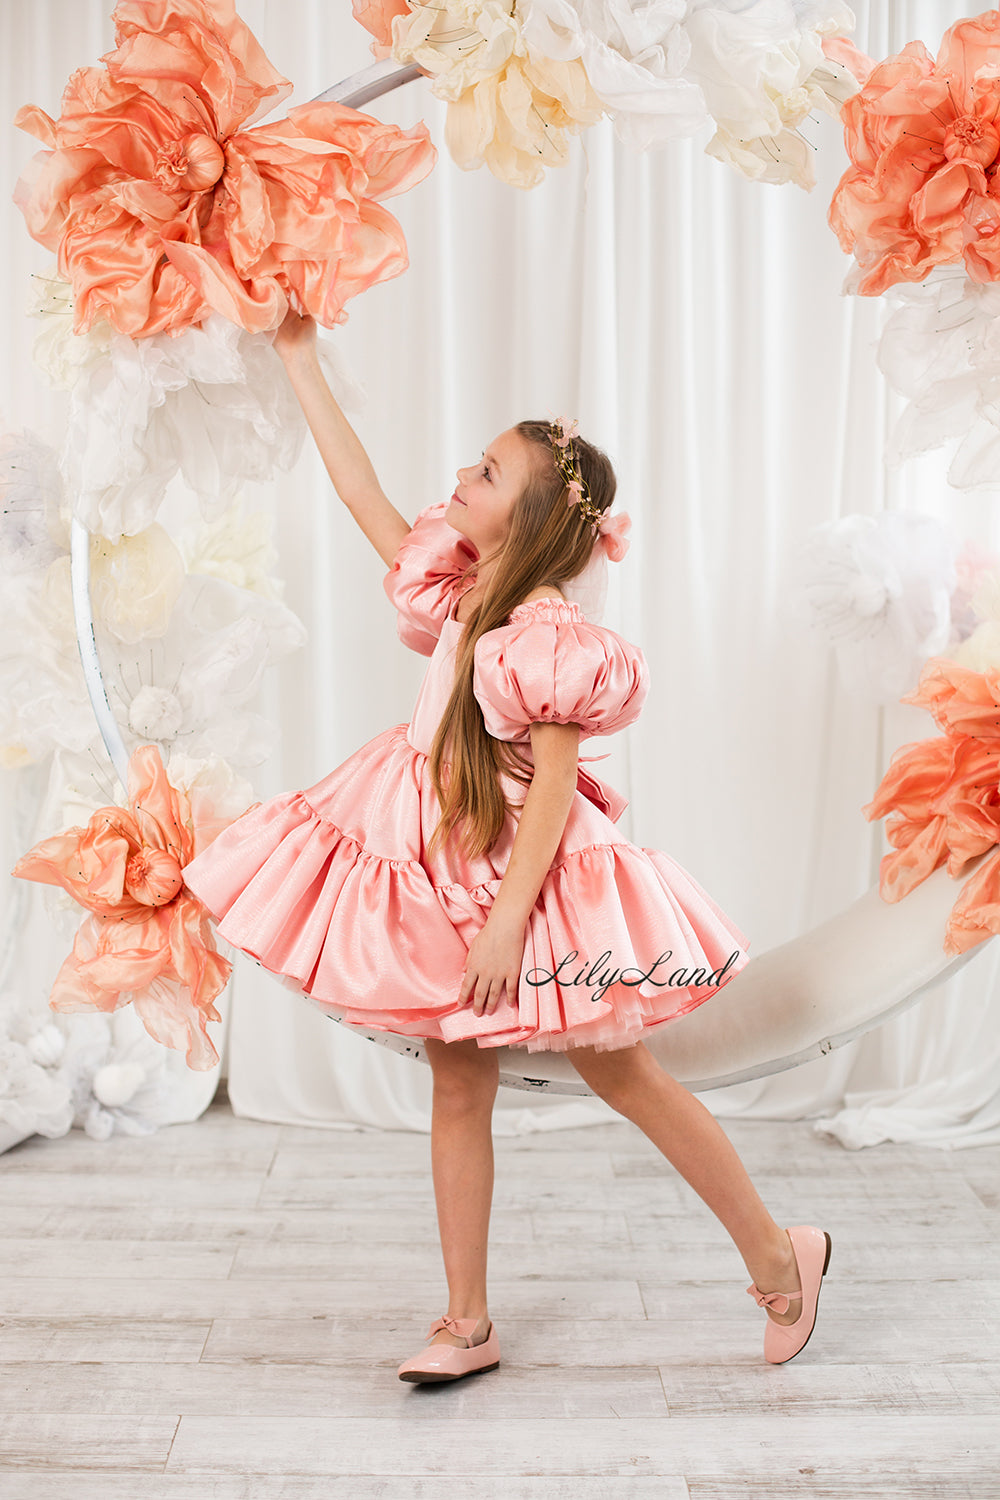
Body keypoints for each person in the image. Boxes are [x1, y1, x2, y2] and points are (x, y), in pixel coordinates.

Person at [180, 307, 832, 1383]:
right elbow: (362, 497)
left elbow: (553, 798)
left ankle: (778, 1255)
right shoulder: (461, 589)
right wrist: (299, 359)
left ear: (528, 518)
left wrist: (507, 931)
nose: (460, 477)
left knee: (623, 1074)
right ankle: (467, 1322)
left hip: (526, 880)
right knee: (455, 1082)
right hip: (441, 857)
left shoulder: (545, 633)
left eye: (484, 471)